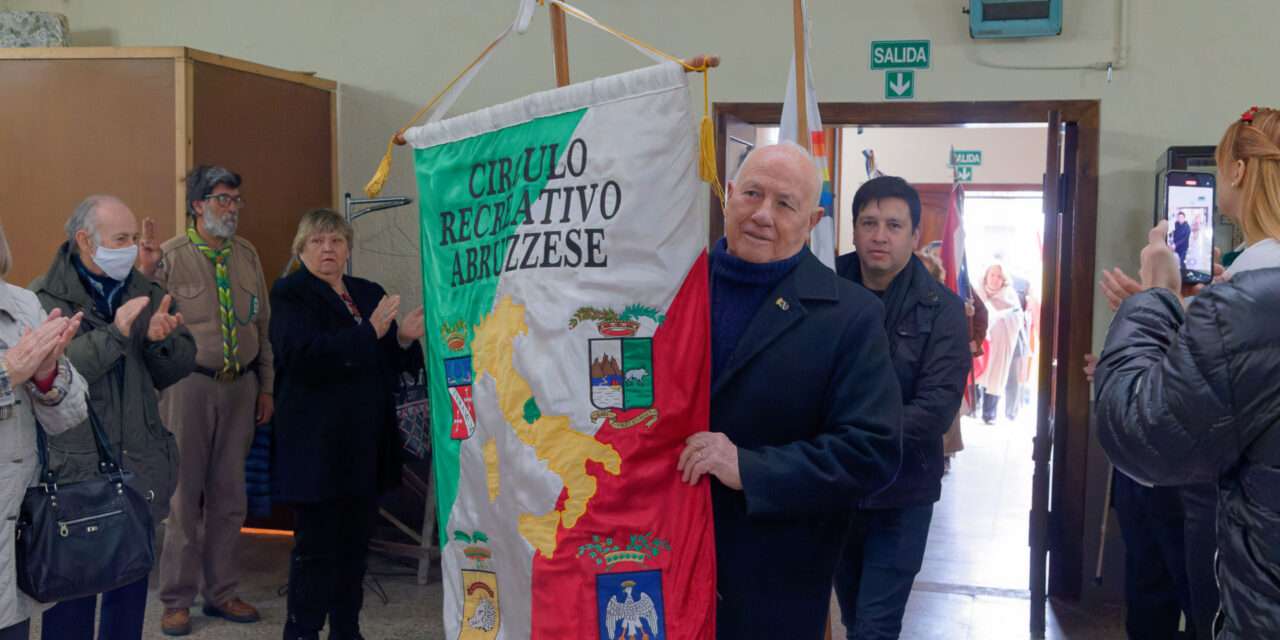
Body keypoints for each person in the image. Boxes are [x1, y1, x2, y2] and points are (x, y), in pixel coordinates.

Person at [675, 143, 902, 640]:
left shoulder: (849, 315)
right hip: (658, 562)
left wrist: (751, 469)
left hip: (772, 581)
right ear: (728, 194)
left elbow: (872, 452)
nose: (761, 214)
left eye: (784, 204)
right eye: (752, 194)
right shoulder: (666, 292)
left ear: (814, 219)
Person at [1094, 106, 1280, 639]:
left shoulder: (1250, 297)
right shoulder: (1243, 291)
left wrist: (1155, 298)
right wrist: (1189, 315)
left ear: (1239, 171)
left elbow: (1139, 429)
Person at [30, 195, 197, 640]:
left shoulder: (145, 291)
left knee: (128, 597)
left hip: (138, 464)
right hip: (76, 473)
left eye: (132, 239)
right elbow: (53, 374)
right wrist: (118, 333)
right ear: (85, 240)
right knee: (71, 602)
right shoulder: (43, 298)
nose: (130, 248)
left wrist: (159, 341)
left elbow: (177, 365)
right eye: (120, 239)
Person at [270, 209, 425, 640]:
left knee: (356, 548)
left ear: (348, 249)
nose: (327, 249)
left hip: (364, 445)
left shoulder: (366, 291)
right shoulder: (290, 294)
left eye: (336, 242)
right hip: (317, 446)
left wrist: (403, 339)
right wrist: (368, 334)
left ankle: (347, 629)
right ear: (301, 250)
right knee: (315, 550)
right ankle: (301, 631)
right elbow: (301, 355)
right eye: (317, 242)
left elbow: (387, 364)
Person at [832, 176, 971, 639]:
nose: (879, 235)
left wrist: (855, 436)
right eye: (868, 223)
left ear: (914, 236)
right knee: (851, 613)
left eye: (893, 225)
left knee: (875, 625)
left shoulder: (943, 309)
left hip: (902, 490)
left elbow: (934, 410)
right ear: (853, 230)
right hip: (833, 488)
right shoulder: (821, 288)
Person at [141, 166, 275, 635]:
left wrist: (267, 386)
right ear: (197, 205)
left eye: (236, 200)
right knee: (184, 499)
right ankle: (176, 599)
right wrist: (144, 270)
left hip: (240, 389)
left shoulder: (247, 254)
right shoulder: (172, 256)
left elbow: (261, 327)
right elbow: (144, 320)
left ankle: (222, 592)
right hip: (187, 389)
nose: (232, 208)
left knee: (229, 497)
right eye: (222, 199)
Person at [0, 223, 88, 640]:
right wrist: (7, 376)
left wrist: (48, 375)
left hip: (13, 526)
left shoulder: (22, 304)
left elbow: (68, 416)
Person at [974, 263, 1020, 424]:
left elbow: (1017, 317)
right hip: (981, 340)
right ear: (986, 275)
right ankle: (973, 406)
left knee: (995, 376)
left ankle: (989, 413)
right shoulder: (977, 291)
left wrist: (1001, 316)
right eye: (992, 275)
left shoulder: (1010, 295)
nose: (995, 279)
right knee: (976, 372)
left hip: (1000, 343)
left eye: (999, 276)